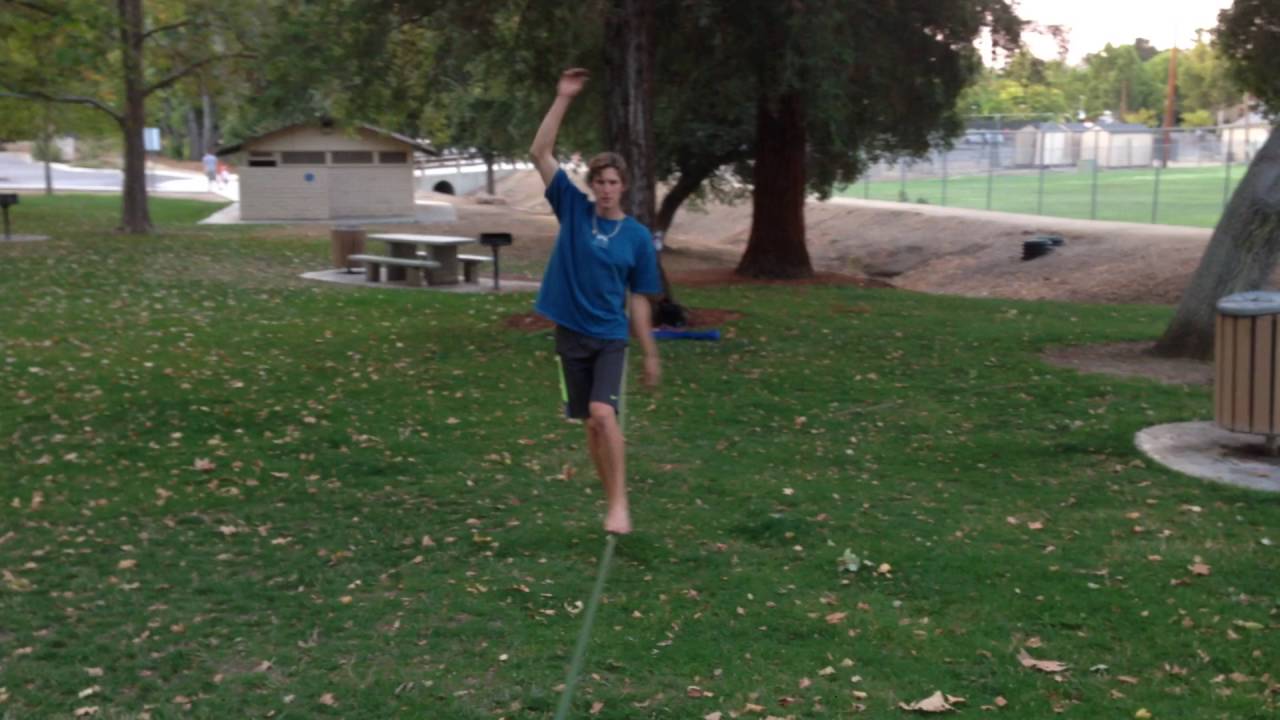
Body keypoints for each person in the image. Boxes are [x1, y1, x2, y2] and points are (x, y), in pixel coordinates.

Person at [530, 68, 662, 536]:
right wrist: (563, 97)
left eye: (613, 182)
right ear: (592, 185)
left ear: (623, 187)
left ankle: (621, 502)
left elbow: (642, 299)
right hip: (571, 333)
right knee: (590, 425)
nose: (605, 189)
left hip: (609, 335)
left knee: (605, 415)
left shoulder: (637, 238)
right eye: (599, 181)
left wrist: (649, 353)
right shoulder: (572, 209)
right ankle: (610, 501)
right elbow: (539, 152)